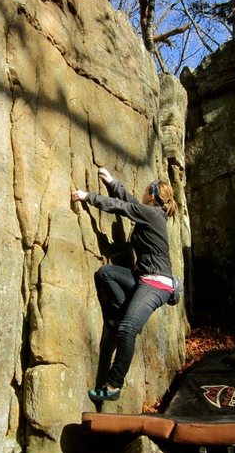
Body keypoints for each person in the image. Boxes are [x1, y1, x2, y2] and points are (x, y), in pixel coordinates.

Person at [71, 167, 178, 402]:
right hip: (143, 280)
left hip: (157, 285)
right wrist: (112, 182)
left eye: (145, 190)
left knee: (127, 329)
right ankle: (121, 314)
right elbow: (128, 201)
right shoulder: (151, 211)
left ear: (152, 195)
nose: (141, 193)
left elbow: (122, 207)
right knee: (106, 274)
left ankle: (113, 386)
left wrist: (88, 196)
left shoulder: (153, 213)